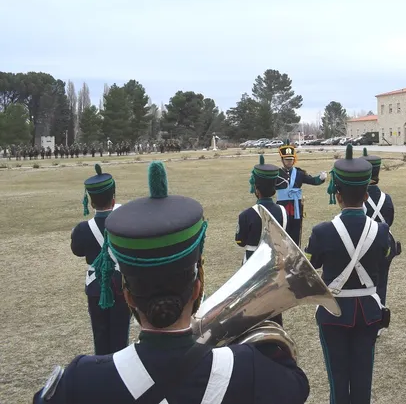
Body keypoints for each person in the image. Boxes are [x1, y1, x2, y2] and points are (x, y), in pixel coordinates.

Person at [35, 161, 309, 403]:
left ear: (127, 296)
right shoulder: (251, 368)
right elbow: (297, 387)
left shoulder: (80, 380)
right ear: (198, 288)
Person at [305, 144, 390, 404]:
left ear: (337, 193)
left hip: (333, 312)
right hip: (369, 311)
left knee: (337, 379)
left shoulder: (321, 232)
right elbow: (383, 261)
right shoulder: (382, 231)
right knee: (363, 379)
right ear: (366, 194)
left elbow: (312, 265)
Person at [70, 164, 131, 356]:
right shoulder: (125, 222)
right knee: (120, 335)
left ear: (91, 202)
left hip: (96, 286)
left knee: (100, 334)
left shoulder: (82, 229)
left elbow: (77, 251)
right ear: (113, 198)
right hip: (121, 285)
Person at [361, 148, 401, 332]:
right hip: (385, 242)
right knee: (381, 283)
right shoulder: (387, 198)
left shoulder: (358, 198)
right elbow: (390, 220)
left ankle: (367, 319)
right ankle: (378, 320)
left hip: (365, 243)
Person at [236, 155, 289, 264]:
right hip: (275, 261)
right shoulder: (283, 211)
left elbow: (240, 241)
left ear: (256, 189)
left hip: (252, 262)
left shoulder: (246, 215)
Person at [276, 139, 327, 246]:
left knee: (295, 231)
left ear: (294, 160)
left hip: (296, 207)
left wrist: (321, 178)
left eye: (291, 159)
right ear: (282, 160)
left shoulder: (299, 173)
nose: (289, 162)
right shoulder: (277, 173)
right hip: (282, 207)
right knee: (282, 229)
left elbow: (312, 180)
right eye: (286, 160)